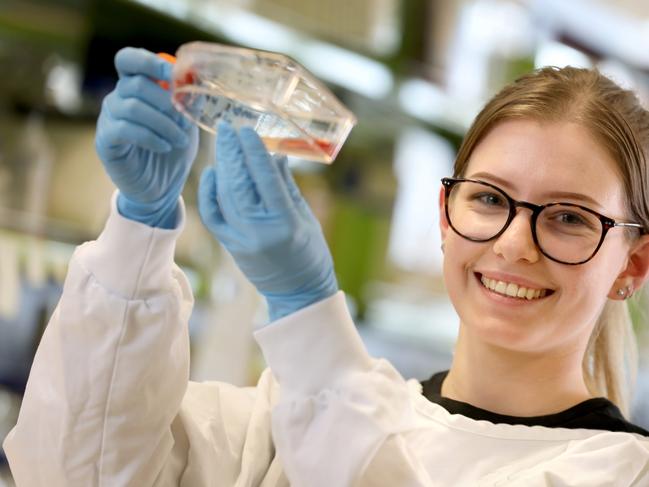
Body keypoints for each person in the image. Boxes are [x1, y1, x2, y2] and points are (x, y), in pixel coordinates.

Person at [3, 46, 649, 486]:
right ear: (444, 213)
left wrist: (305, 309)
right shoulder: (282, 416)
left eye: (568, 216)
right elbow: (74, 470)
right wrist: (139, 228)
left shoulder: (619, 469)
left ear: (633, 263)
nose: (515, 242)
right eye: (488, 198)